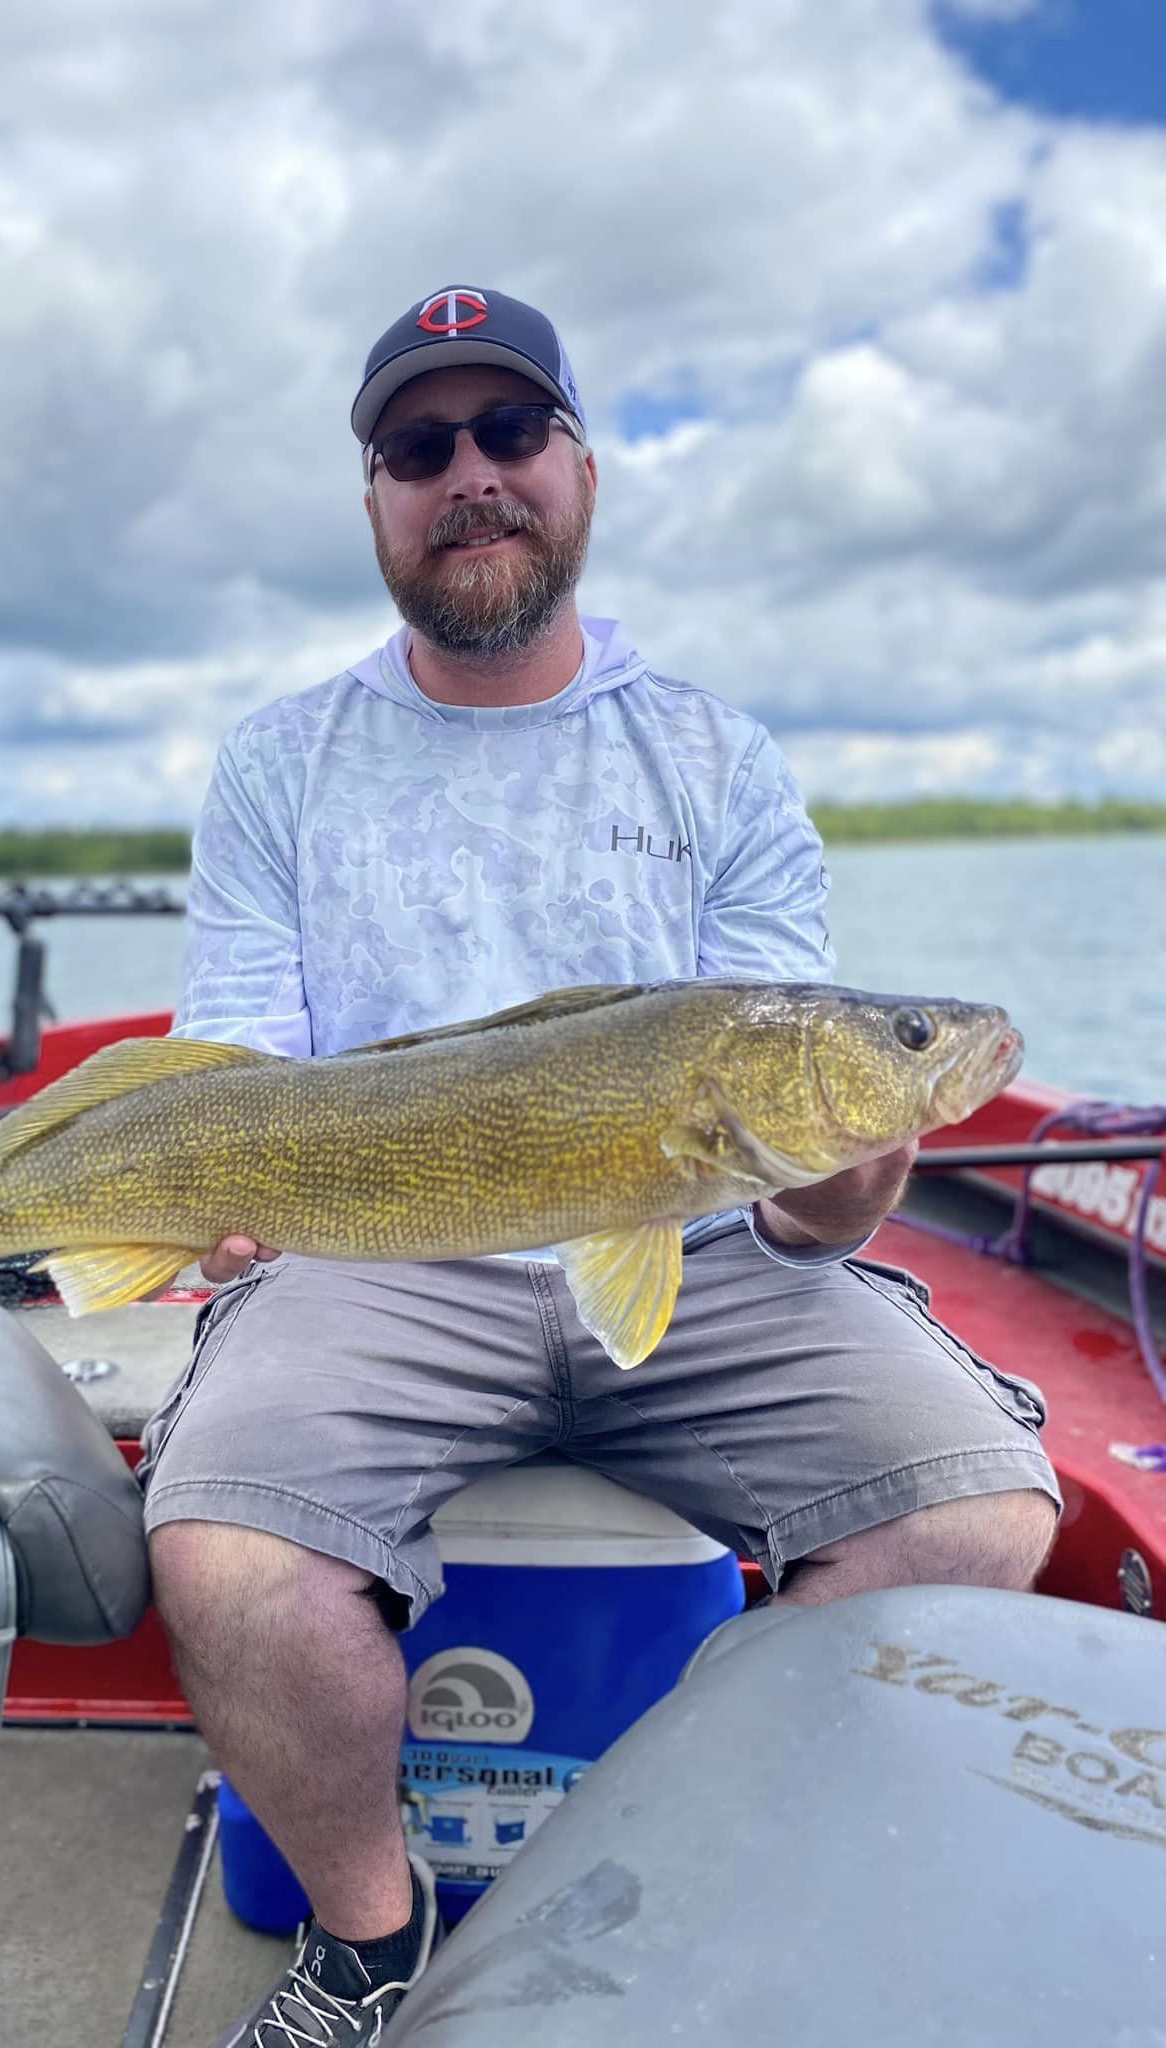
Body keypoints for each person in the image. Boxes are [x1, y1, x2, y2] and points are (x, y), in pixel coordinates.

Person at [143, 286, 1060, 2047]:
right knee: (227, 1559)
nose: (469, 475)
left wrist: (838, 1180)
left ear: (579, 466)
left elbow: (802, 1208)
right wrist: (204, 1207)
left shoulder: (716, 753)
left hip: (699, 1252)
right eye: (422, 448)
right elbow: (235, 1062)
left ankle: (691, 1864)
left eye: (508, 435)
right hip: (373, 1260)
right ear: (376, 502)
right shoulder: (279, 764)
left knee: (981, 1510)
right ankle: (365, 1946)